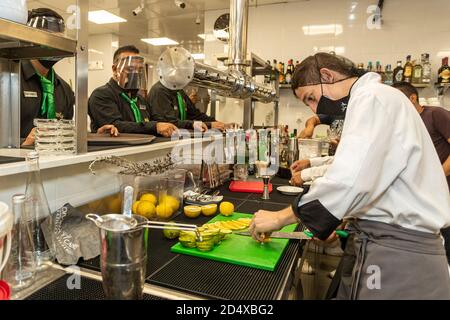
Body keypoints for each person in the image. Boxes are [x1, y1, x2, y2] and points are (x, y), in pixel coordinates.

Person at [249, 52, 450, 299]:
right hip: (385, 242)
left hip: (399, 253)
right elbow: (366, 170)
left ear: (327, 76)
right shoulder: (373, 99)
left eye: (311, 98)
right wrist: (341, 216)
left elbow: (349, 180)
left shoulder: (373, 98)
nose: (314, 109)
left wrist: (281, 217)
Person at [21, 8, 117, 146]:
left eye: (59, 39)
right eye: (49, 38)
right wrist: (23, 144)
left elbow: (65, 135)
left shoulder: (64, 89)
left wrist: (94, 137)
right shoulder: (10, 82)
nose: (54, 46)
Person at [392, 81, 450, 265]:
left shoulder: (435, 114)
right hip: (425, 193)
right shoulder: (406, 123)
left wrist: (438, 176)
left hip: (445, 190)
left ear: (413, 98)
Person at [88, 45, 177, 137]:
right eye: (130, 69)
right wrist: (155, 127)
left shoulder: (139, 98)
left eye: (139, 70)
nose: (136, 74)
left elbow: (156, 120)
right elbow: (117, 126)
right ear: (115, 69)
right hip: (114, 150)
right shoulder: (101, 95)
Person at [147, 80, 226, 132]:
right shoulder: (159, 91)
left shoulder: (179, 91)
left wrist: (217, 123)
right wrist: (209, 125)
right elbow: (169, 122)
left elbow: (195, 114)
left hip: (179, 137)